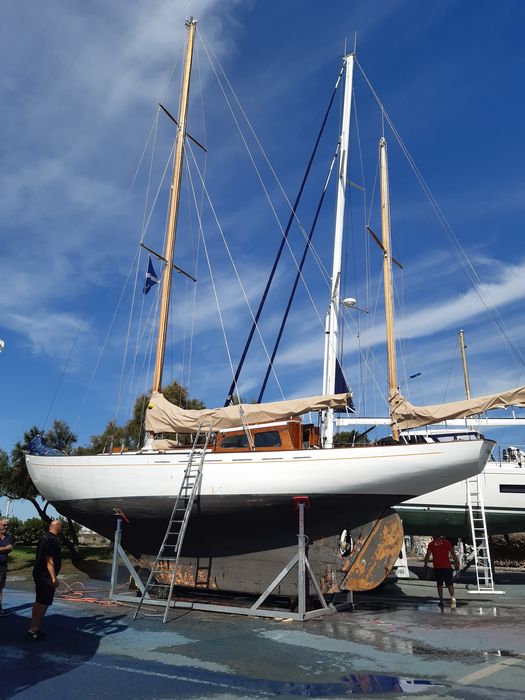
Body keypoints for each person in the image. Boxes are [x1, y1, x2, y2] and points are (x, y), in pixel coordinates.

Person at [28, 519, 62, 640]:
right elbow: (49, 560)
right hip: (45, 576)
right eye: (60, 526)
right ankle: (33, 629)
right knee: (44, 602)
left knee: (39, 601)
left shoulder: (44, 537)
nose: (61, 528)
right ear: (56, 527)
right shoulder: (51, 540)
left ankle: (33, 627)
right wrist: (53, 578)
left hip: (39, 574)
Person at [424, 532, 460, 607]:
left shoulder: (431, 544)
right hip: (447, 566)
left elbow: (428, 555)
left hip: (438, 567)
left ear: (433, 537)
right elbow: (452, 553)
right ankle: (453, 597)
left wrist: (425, 564)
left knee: (439, 584)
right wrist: (457, 562)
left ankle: (441, 600)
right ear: (440, 536)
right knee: (449, 583)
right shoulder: (446, 542)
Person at [0, 518, 13, 614]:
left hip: (3, 566)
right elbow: (8, 548)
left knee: (0, 587)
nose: (6, 527)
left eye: (7, 525)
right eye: (4, 525)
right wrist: (6, 548)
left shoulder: (8, 537)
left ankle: (0, 608)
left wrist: (2, 548)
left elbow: (10, 548)